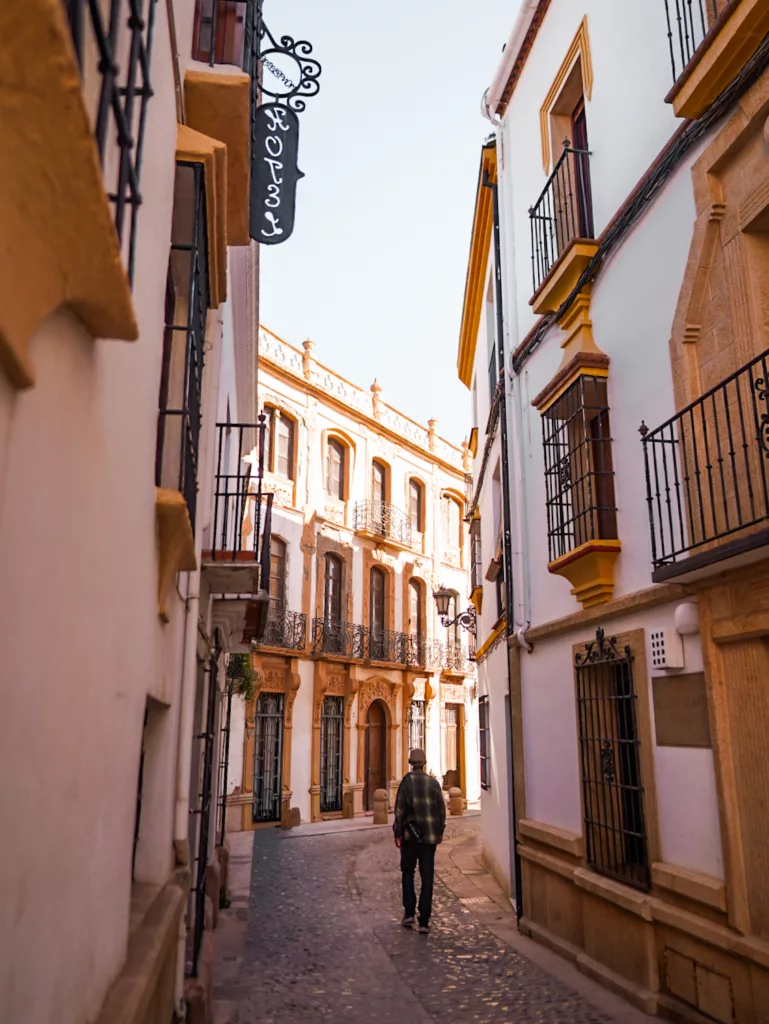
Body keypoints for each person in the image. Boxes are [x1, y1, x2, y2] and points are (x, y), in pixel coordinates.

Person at [393, 748, 446, 934]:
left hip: (410, 837)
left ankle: (409, 913)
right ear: (424, 763)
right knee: (427, 877)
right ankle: (424, 920)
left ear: (411, 763)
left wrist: (397, 833)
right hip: (429, 839)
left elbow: (400, 810)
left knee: (408, 872)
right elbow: (441, 810)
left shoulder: (407, 782)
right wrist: (440, 831)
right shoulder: (434, 783)